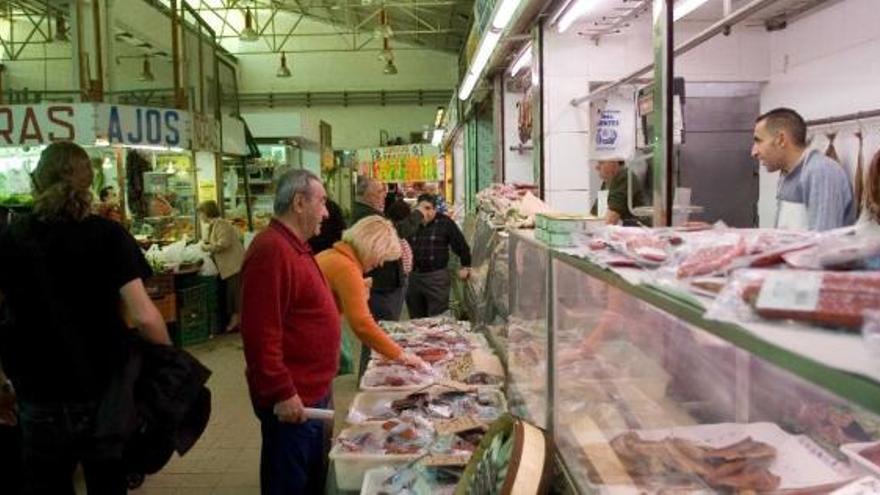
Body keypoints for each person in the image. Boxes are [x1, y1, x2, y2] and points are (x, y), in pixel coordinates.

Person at [0, 142, 171, 494]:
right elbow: (144, 316)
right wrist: (169, 363)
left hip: (37, 390)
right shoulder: (109, 236)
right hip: (103, 392)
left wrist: (1, 381)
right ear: (89, 182)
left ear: (36, 181)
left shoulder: (12, 237)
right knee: (107, 483)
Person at [239, 169, 339, 495]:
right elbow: (260, 334)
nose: (326, 212)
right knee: (289, 485)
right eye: (321, 202)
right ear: (299, 202)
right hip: (294, 405)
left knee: (312, 482)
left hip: (312, 394)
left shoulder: (295, 245)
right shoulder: (271, 250)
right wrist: (282, 391)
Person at [316, 217, 428, 369]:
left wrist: (356, 290)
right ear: (373, 247)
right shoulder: (347, 268)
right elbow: (362, 324)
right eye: (382, 256)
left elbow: (325, 301)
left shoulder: (332, 255)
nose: (381, 264)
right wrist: (401, 355)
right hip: (308, 348)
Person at [751, 107, 855, 231]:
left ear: (781, 140)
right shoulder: (787, 174)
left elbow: (822, 241)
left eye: (759, 141)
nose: (754, 152)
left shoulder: (821, 172)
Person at [352, 176, 422, 322]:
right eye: (379, 191)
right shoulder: (368, 215)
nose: (384, 194)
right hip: (381, 286)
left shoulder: (369, 212)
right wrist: (418, 214)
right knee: (384, 327)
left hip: (382, 284)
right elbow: (398, 231)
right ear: (366, 194)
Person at [406, 193, 472, 318]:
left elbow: (461, 246)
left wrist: (466, 265)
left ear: (435, 209)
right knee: (415, 318)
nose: (425, 213)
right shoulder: (411, 222)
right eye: (422, 209)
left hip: (436, 278)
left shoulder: (445, 222)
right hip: (413, 278)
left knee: (438, 318)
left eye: (429, 208)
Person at [198, 200, 246, 333]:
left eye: (201, 213)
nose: (200, 217)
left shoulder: (222, 224)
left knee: (235, 295)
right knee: (231, 295)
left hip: (234, 266)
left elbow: (223, 243)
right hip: (228, 268)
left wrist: (205, 247)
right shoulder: (214, 225)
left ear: (206, 213)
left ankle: (236, 321)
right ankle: (235, 321)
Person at [589, 159, 645, 226]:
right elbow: (594, 216)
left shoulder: (625, 177)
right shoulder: (607, 182)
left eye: (601, 163)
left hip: (632, 233)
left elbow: (610, 221)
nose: (597, 167)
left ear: (614, 162)